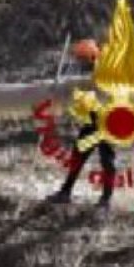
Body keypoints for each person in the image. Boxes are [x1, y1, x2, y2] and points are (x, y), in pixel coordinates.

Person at [46, 38, 118, 209]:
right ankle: (65, 192)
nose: (80, 63)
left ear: (91, 57)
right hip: (94, 119)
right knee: (78, 155)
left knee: (107, 159)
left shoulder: (105, 71)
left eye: (82, 59)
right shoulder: (88, 73)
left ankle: (106, 198)